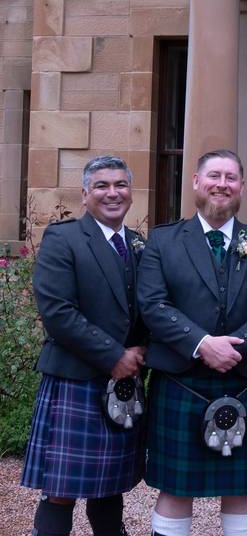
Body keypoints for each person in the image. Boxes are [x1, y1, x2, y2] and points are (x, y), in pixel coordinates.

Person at [138, 149, 247, 536]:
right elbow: (153, 305)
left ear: (242, 186)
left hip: (244, 379)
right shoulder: (163, 241)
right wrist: (203, 344)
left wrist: (233, 347)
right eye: (214, 176)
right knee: (175, 487)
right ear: (196, 182)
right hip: (182, 381)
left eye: (230, 178)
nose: (222, 185)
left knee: (241, 488)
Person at [22, 155, 147, 536]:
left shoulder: (140, 244)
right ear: (85, 194)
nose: (113, 193)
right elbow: (58, 313)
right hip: (77, 378)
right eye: (102, 186)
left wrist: (143, 350)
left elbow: (153, 307)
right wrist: (115, 357)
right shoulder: (64, 238)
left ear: (130, 191)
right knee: (60, 491)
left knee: (110, 489)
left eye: (120, 185)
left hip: (124, 384)